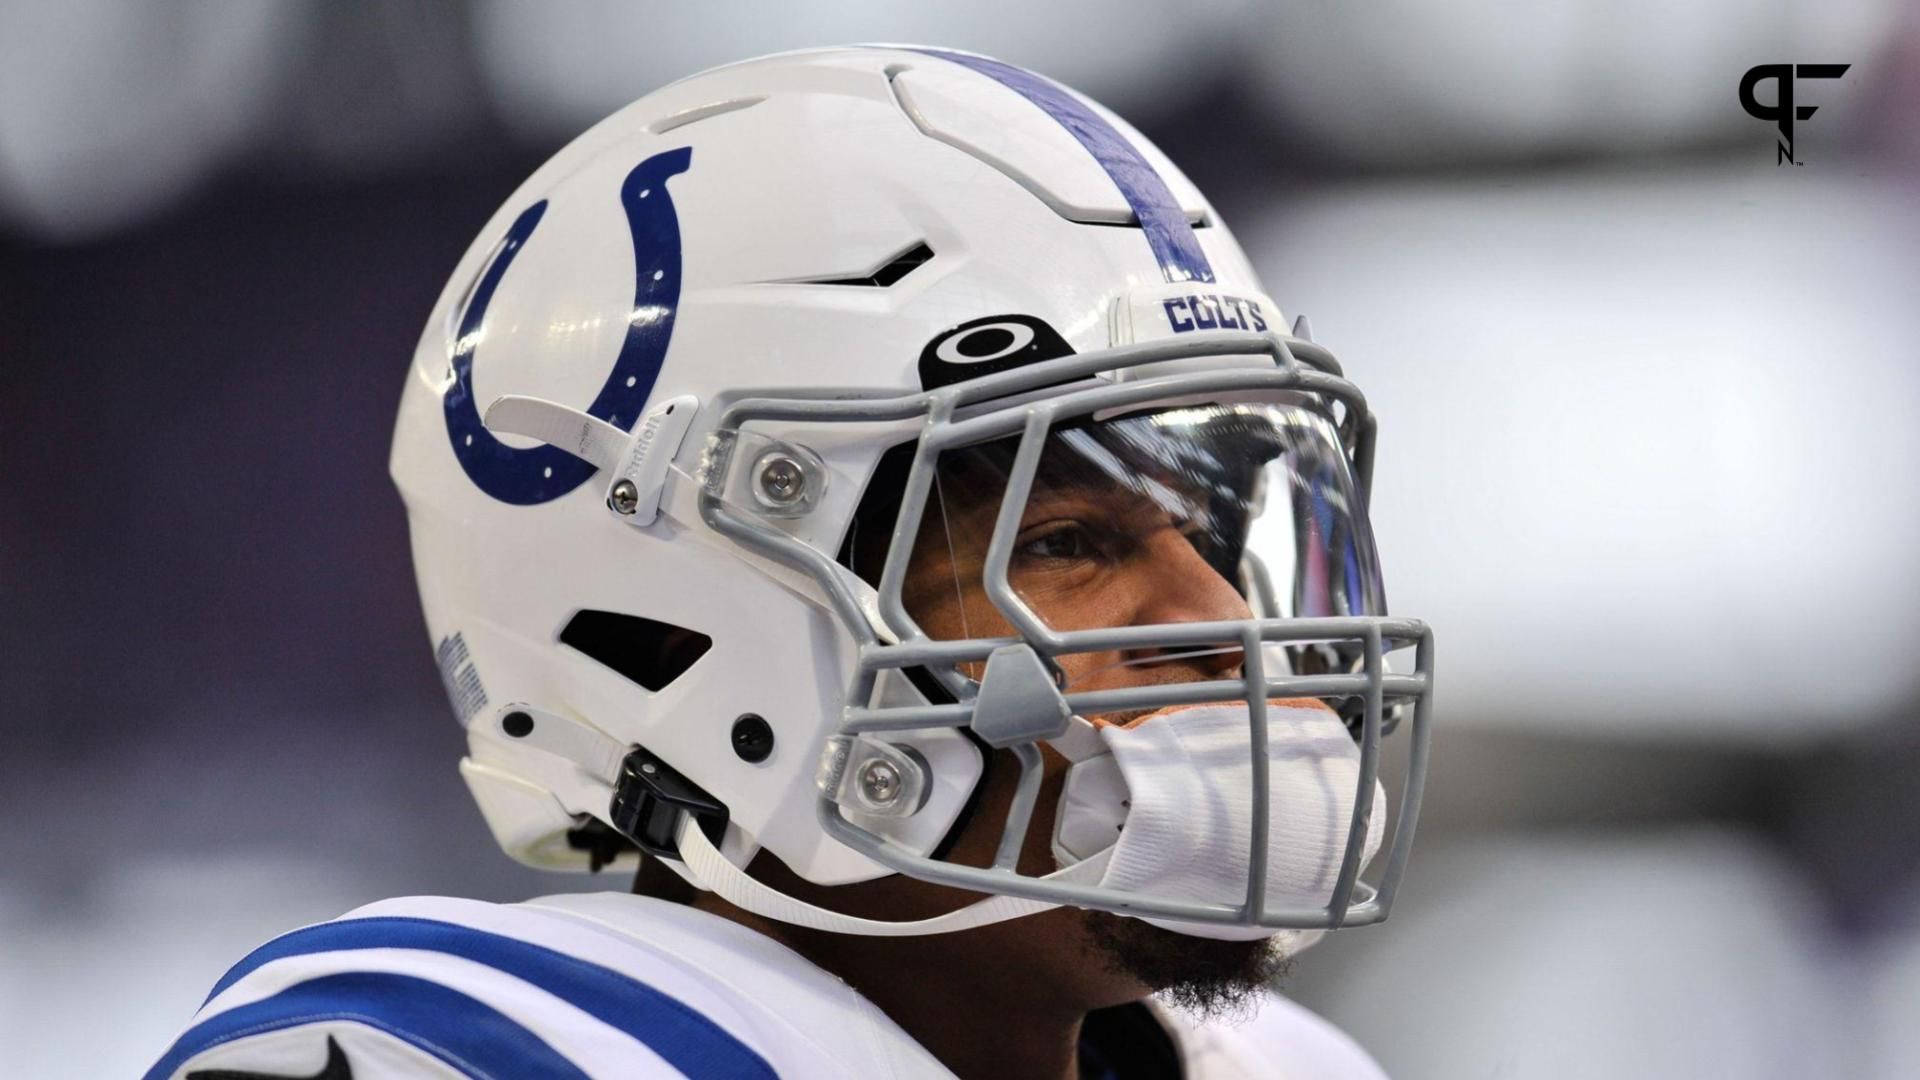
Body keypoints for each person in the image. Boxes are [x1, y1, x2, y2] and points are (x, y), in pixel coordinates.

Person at [146, 45, 1433, 1079]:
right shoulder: (491, 1052)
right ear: (668, 639)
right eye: (1067, 545)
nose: (1216, 616)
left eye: (1209, 538)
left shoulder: (1288, 1065)